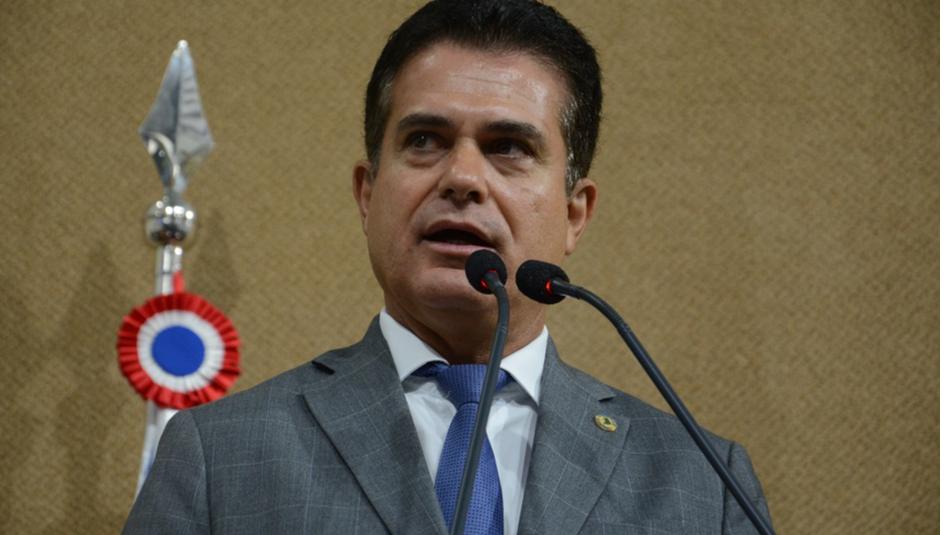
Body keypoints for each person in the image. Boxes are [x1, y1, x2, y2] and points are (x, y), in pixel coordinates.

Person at [123, 1, 772, 533]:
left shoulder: (703, 483)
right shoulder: (221, 456)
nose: (462, 177)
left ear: (575, 214)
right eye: (425, 140)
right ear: (367, 194)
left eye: (508, 147)